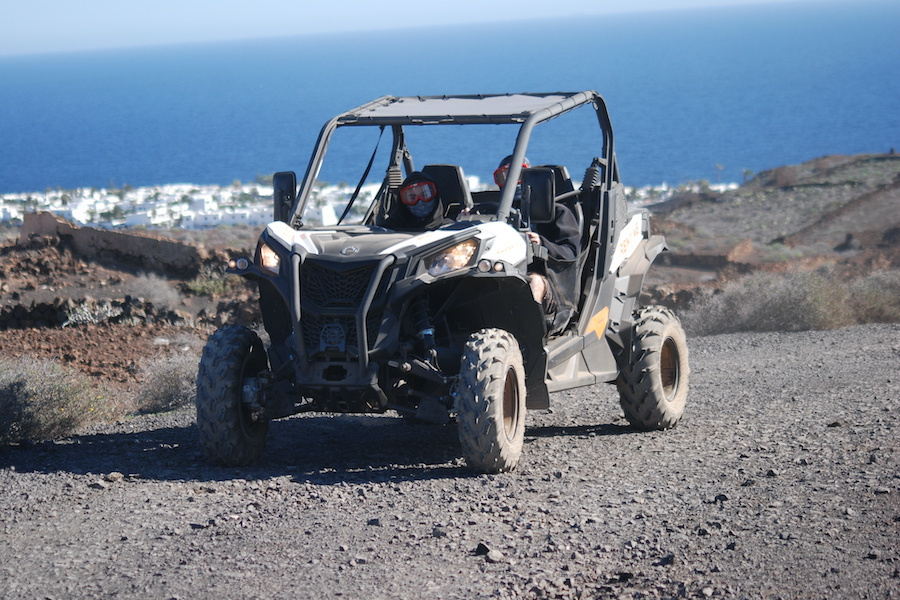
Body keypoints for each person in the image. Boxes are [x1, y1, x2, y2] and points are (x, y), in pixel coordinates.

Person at [495, 155, 581, 329]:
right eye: (505, 176)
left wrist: (542, 243)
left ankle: (529, 334)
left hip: (552, 284)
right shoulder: (495, 214)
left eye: (519, 175)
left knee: (533, 283)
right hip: (499, 277)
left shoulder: (558, 213)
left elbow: (571, 252)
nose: (514, 183)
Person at [379, 171, 450, 231]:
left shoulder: (451, 230)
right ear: (402, 202)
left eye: (425, 195)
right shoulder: (388, 229)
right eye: (412, 197)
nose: (420, 201)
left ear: (436, 196)